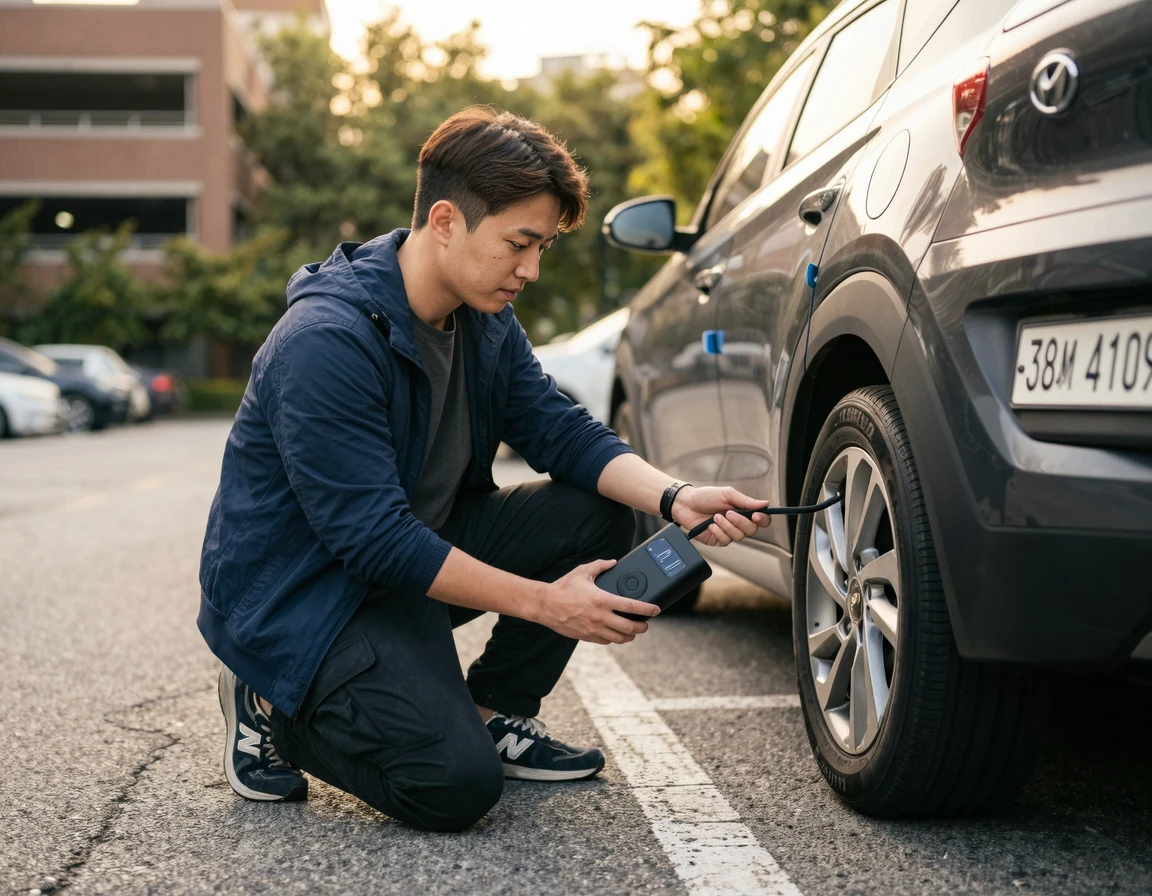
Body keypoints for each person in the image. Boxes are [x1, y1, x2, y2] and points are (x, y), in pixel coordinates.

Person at [198, 106, 773, 833]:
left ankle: (489, 714)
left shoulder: (485, 319)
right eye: (519, 244)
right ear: (445, 221)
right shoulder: (324, 342)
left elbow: (558, 431)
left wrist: (677, 497)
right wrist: (546, 602)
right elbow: (370, 538)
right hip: (311, 600)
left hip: (410, 560)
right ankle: (271, 700)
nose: (530, 270)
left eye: (543, 248)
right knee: (452, 786)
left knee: (603, 513)